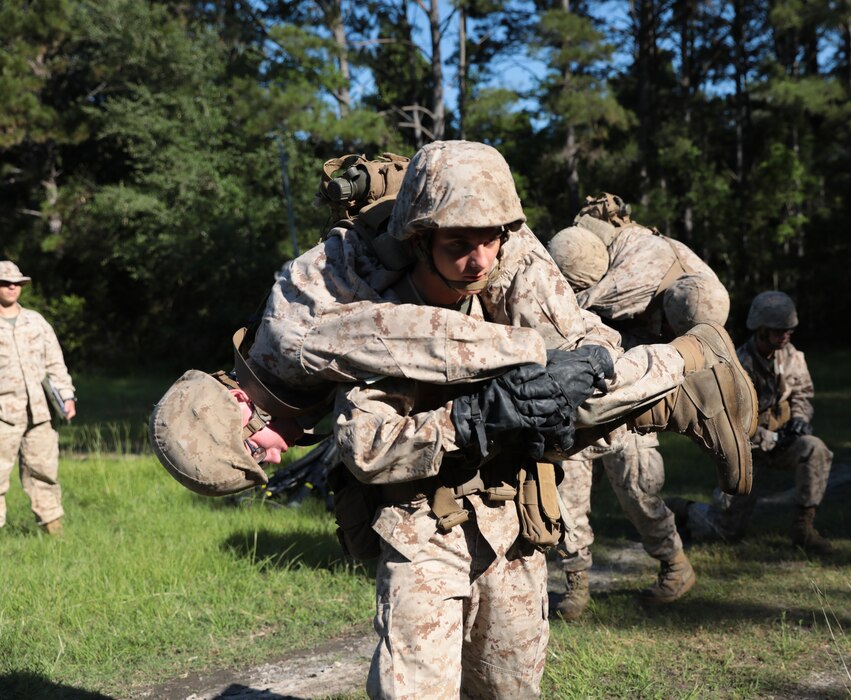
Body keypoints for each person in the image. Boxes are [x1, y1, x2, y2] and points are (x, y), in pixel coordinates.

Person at [150, 142, 759, 699]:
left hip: (507, 491)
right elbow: (372, 426)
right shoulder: (300, 374)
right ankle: (672, 373)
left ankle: (687, 374)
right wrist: (505, 393)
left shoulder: (296, 336)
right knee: (546, 387)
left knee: (574, 375)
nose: (274, 458)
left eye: (255, 451)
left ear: (235, 409)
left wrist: (539, 357)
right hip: (427, 525)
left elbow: (421, 338)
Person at [544, 194, 734, 617]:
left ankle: (675, 566)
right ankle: (576, 584)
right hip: (588, 380)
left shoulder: (690, 278)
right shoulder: (636, 272)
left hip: (631, 389)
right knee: (568, 487)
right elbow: (570, 311)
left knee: (638, 488)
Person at [670, 291, 835, 554]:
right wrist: (769, 438)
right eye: (780, 330)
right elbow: (732, 421)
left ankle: (803, 530)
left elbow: (803, 392)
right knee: (725, 532)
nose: (786, 335)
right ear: (761, 330)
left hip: (783, 440)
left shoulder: (792, 357)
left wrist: (800, 421)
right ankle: (681, 509)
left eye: (789, 330)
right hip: (746, 450)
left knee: (814, 448)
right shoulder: (736, 367)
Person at [0, 261, 77, 535]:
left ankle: (52, 530)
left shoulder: (36, 321)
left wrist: (67, 397)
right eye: (4, 282)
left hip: (40, 412)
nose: (11, 287)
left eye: (16, 283)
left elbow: (55, 363)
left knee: (43, 471)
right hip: (3, 415)